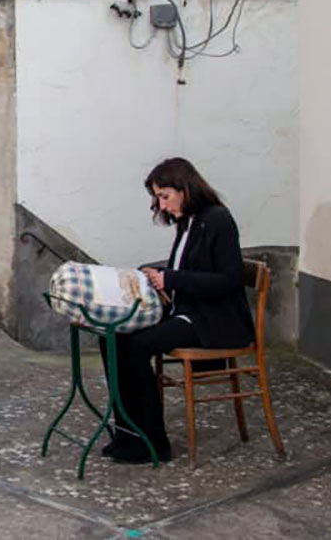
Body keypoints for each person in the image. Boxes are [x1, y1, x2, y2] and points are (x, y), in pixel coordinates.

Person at [100, 157, 255, 464]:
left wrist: (170, 278)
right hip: (189, 312)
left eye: (164, 196)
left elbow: (228, 279)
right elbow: (185, 269)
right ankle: (129, 434)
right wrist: (157, 275)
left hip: (215, 320)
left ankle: (153, 443)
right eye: (157, 198)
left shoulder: (218, 219)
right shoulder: (188, 222)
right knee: (112, 339)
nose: (161, 205)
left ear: (185, 188)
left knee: (138, 345)